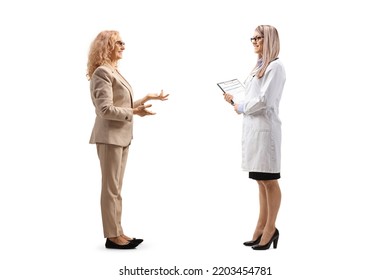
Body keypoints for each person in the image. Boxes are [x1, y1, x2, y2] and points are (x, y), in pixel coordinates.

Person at [87, 30, 169, 249]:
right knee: (110, 188)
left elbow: (121, 105)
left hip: (121, 137)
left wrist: (146, 98)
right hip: (109, 137)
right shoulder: (102, 73)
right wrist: (135, 113)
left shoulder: (114, 71)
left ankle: (119, 232)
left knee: (116, 188)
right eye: (118, 43)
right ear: (106, 46)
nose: (123, 46)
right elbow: (105, 109)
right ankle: (112, 236)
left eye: (124, 43)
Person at [223, 25, 286, 250]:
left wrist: (240, 106)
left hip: (265, 131)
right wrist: (235, 100)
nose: (254, 41)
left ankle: (271, 229)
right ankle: (260, 227)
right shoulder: (259, 66)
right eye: (253, 38)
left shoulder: (276, 67)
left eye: (259, 38)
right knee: (261, 181)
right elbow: (253, 96)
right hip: (253, 130)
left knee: (269, 180)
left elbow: (264, 101)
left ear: (269, 40)